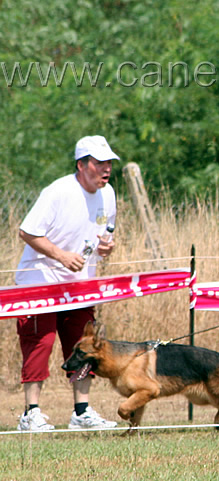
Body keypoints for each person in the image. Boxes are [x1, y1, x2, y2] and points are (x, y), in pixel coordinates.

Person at [15, 135, 120, 431]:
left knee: (84, 345)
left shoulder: (108, 193)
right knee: (40, 343)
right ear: (81, 165)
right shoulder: (58, 191)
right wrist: (61, 256)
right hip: (40, 281)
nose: (106, 169)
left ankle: (82, 412)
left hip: (81, 283)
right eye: (99, 163)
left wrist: (107, 248)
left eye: (109, 163)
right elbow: (28, 231)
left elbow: (106, 235)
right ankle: (30, 413)